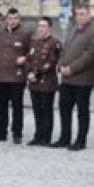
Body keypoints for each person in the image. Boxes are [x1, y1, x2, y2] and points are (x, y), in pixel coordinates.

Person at [51, 4, 94, 150]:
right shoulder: (73, 30)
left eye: (83, 14)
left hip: (83, 79)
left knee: (82, 112)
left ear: (89, 15)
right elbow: (64, 51)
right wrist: (60, 66)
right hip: (67, 79)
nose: (80, 17)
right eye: (78, 14)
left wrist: (71, 69)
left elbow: (89, 56)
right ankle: (65, 138)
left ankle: (81, 140)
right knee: (64, 109)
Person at [0, 8, 31, 144]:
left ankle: (17, 133)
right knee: (0, 106)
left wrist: (25, 58)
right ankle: (1, 132)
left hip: (16, 76)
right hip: (0, 75)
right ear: (6, 19)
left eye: (15, 18)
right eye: (10, 18)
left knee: (17, 106)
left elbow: (32, 51)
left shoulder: (25, 34)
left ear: (19, 19)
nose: (12, 21)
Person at [26, 16, 61, 146]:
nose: (41, 28)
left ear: (50, 28)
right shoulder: (34, 42)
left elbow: (51, 62)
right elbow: (29, 59)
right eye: (40, 26)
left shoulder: (54, 43)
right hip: (34, 82)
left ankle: (46, 137)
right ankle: (38, 135)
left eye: (44, 26)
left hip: (47, 82)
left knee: (46, 110)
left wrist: (37, 74)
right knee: (37, 110)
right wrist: (29, 72)